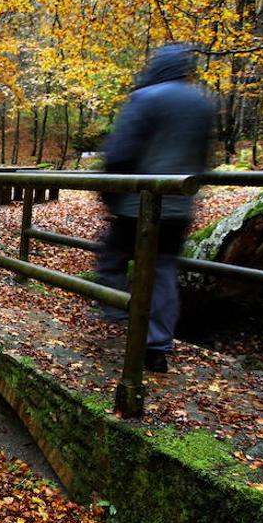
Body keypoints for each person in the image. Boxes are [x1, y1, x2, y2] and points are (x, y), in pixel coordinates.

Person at [97, 43, 215, 373]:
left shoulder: (146, 98)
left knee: (111, 259)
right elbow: (205, 160)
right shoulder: (202, 103)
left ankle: (121, 316)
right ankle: (156, 343)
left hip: (137, 206)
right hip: (178, 208)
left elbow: (120, 153)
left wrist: (110, 194)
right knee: (162, 271)